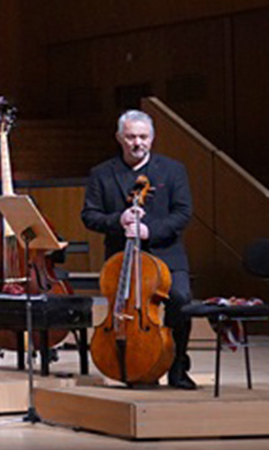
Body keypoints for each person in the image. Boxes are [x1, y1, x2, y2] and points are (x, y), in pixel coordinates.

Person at [81, 110, 197, 390]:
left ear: (152, 138)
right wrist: (117, 220)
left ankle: (178, 365)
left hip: (165, 254)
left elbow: (183, 213)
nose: (137, 143)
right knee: (125, 308)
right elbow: (89, 215)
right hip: (121, 258)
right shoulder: (102, 173)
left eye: (143, 137)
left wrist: (149, 230)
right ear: (119, 138)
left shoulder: (172, 170)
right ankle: (135, 364)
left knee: (181, 299)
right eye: (131, 137)